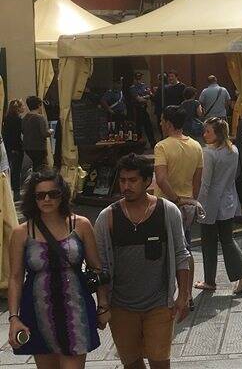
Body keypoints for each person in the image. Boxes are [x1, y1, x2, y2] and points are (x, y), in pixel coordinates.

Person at [94, 154, 191, 369]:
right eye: (122, 180)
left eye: (132, 180)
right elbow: (99, 266)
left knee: (160, 362)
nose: (126, 186)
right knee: (132, 363)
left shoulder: (167, 212)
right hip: (121, 307)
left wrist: (183, 296)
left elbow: (182, 255)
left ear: (147, 181)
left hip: (158, 304)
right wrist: (102, 303)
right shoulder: (107, 217)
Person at [7, 171, 102, 365]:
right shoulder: (21, 232)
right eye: (40, 195)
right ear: (33, 199)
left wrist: (104, 305)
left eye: (53, 194)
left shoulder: (81, 225)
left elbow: (98, 269)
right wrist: (14, 318)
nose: (47, 199)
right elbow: (15, 277)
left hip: (76, 310)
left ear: (63, 195)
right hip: (37, 311)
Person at [194, 118, 242, 294]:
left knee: (208, 242)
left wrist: (197, 201)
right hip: (228, 200)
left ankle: (210, 281)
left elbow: (206, 183)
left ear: (217, 134)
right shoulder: (233, 150)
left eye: (208, 132)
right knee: (227, 239)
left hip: (210, 202)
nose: (204, 135)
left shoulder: (209, 153)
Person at [154, 105, 204, 299]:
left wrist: (174, 199)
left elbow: (161, 179)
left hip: (166, 204)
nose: (160, 123)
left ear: (167, 123)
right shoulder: (196, 146)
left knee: (165, 250)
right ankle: (188, 294)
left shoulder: (162, 146)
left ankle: (166, 294)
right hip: (188, 205)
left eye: (161, 120)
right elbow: (197, 181)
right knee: (186, 249)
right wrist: (190, 200)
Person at [3, 99, 26, 199]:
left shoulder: (6, 119)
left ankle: (8, 190)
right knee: (16, 169)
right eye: (22, 106)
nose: (24, 108)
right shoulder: (18, 120)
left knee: (8, 169)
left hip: (7, 146)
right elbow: (17, 134)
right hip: (16, 146)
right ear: (18, 108)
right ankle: (16, 192)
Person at [23, 96, 51, 172]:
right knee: (41, 167)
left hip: (28, 147)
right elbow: (45, 133)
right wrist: (50, 131)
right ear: (39, 105)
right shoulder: (40, 118)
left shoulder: (25, 118)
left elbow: (23, 131)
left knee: (34, 166)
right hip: (39, 147)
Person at [129, 72, 156, 148]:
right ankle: (138, 145)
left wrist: (146, 96)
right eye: (137, 78)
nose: (139, 80)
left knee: (149, 127)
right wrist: (146, 97)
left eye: (140, 78)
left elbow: (151, 95)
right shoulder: (132, 88)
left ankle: (153, 143)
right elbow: (139, 99)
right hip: (137, 110)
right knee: (138, 128)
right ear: (134, 79)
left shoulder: (144, 85)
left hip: (144, 109)